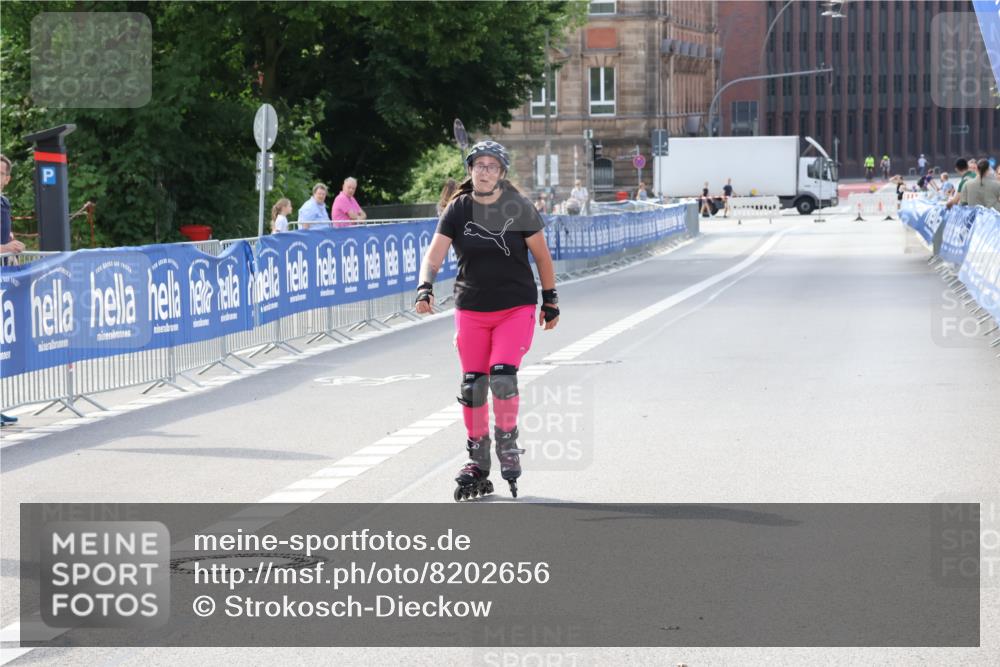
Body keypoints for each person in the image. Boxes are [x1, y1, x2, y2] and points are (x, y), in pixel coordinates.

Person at [414, 140, 559, 501]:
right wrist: (425, 286)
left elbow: (542, 257)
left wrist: (550, 299)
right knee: (473, 385)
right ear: (470, 170)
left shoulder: (519, 207)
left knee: (502, 376)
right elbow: (433, 255)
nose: (484, 171)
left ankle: (507, 442)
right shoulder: (458, 209)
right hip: (471, 307)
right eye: (479, 165)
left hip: (515, 306)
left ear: (502, 173)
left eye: (492, 166)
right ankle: (477, 461)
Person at [1, 154, 23, 426]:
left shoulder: (4, 202)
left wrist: (12, 245)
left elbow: (5, 236)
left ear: (7, 179)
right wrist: (5, 249)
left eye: (0, 173)